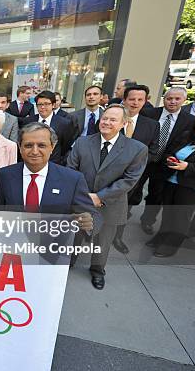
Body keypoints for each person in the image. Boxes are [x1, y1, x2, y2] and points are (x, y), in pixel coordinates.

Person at [67, 105, 148, 290]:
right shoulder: (82, 142)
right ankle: (68, 262)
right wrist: (84, 196)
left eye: (113, 120)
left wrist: (100, 197)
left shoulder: (136, 149)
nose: (107, 122)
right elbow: (71, 170)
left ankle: (97, 270)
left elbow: (130, 180)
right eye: (105, 118)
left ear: (123, 124)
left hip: (111, 204)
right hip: (81, 201)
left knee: (103, 241)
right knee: (75, 236)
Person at [0, 123, 94, 225]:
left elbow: (93, 216)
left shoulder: (72, 179)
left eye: (41, 145)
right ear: (20, 147)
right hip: (14, 239)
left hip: (56, 240)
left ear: (52, 147)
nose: (34, 151)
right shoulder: (5, 175)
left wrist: (87, 222)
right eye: (28, 145)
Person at [147, 113, 195, 257]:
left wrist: (187, 166)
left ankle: (171, 245)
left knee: (181, 217)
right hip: (172, 180)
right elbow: (170, 151)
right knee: (168, 213)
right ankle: (162, 236)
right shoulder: (187, 136)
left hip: (192, 187)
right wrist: (170, 159)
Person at [139, 87, 195, 235]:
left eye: (177, 99)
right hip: (143, 160)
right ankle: (123, 218)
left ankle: (148, 220)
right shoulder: (149, 114)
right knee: (133, 191)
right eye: (169, 98)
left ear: (184, 101)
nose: (172, 102)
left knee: (156, 195)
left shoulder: (189, 121)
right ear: (164, 98)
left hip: (165, 164)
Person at [111, 85, 160, 254]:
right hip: (108, 175)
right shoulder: (110, 119)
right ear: (124, 100)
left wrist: (135, 165)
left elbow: (153, 151)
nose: (135, 103)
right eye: (132, 99)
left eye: (140, 99)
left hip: (134, 178)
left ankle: (117, 236)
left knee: (126, 208)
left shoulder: (152, 125)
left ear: (146, 101)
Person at [20, 91, 74, 165]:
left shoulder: (64, 123)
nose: (42, 107)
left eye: (46, 104)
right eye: (40, 104)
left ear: (53, 105)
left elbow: (65, 146)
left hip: (53, 163)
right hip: (31, 162)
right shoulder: (28, 121)